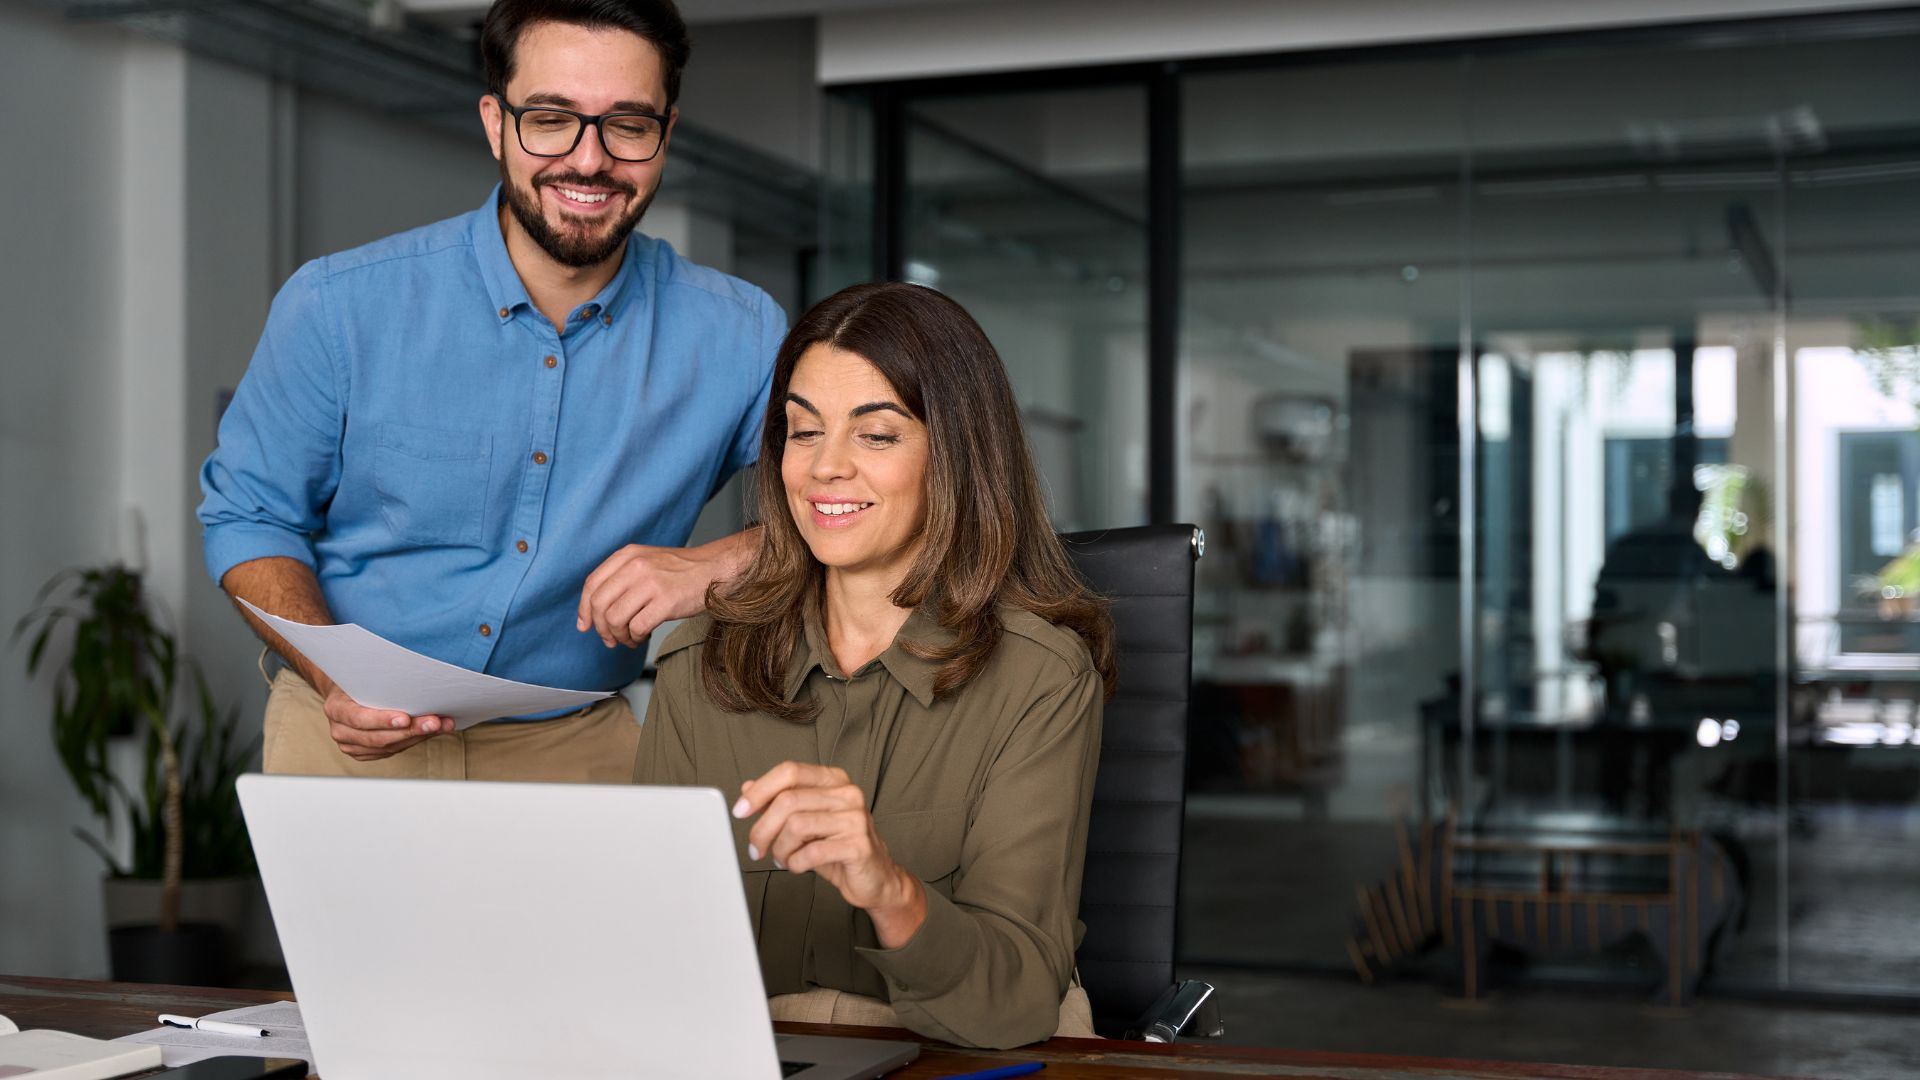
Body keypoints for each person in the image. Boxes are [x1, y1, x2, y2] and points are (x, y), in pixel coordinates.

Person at [197, 0, 779, 781]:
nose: (589, 159)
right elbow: (249, 516)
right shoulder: (338, 306)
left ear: (665, 135)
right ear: (495, 123)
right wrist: (334, 674)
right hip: (344, 734)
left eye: (627, 125)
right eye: (551, 118)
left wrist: (718, 563)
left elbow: (865, 510)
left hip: (578, 744)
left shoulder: (741, 336)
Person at [634, 282, 1115, 1049]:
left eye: (877, 435)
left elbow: (1019, 998)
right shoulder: (700, 663)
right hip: (746, 1050)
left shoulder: (1040, 678)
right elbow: (645, 956)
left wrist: (889, 889)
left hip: (955, 1054)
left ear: (954, 454)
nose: (825, 468)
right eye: (803, 431)